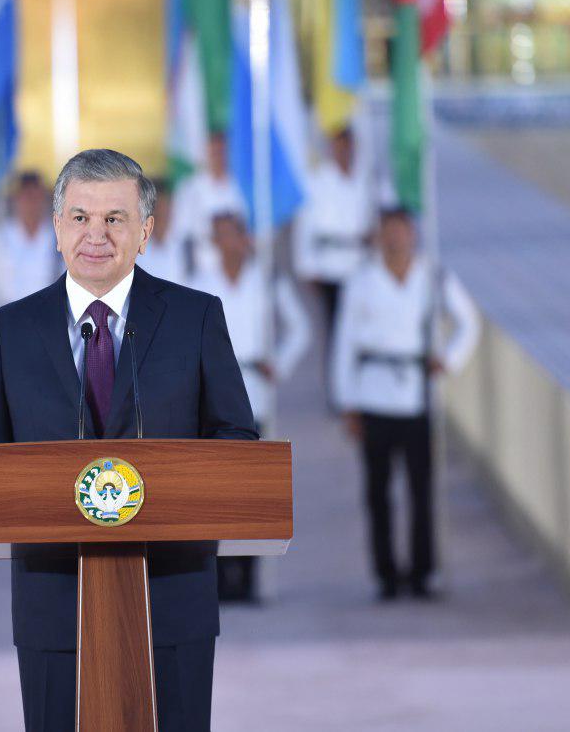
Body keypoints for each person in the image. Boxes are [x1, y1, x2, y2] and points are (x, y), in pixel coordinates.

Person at [0, 148, 257, 732]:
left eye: (115, 219)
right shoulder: (10, 331)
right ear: (56, 228)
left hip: (172, 602)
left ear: (146, 231)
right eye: (79, 217)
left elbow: (237, 447)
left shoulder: (196, 319)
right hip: (55, 605)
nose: (95, 235)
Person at [332, 208, 478, 602]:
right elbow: (345, 343)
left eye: (401, 232)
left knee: (421, 490)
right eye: (388, 232)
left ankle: (422, 571)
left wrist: (447, 360)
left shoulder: (433, 276)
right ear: (379, 236)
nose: (395, 239)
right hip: (373, 395)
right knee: (378, 492)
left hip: (416, 395)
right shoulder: (362, 281)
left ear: (413, 235)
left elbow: (468, 321)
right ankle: (386, 574)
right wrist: (347, 403)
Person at [191, 211, 310, 602]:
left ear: (245, 239)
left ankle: (251, 578)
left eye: (232, 235)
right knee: (215, 493)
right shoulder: (200, 285)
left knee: (254, 492)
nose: (227, 243)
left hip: (255, 391)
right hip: (212, 399)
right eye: (219, 236)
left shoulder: (265, 282)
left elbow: (301, 329)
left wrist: (279, 363)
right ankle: (221, 578)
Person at [291, 125, 376, 356]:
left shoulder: (364, 181)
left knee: (361, 328)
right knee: (335, 331)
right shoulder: (319, 181)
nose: (345, 151)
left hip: (358, 264)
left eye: (348, 146)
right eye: (340, 146)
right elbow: (305, 225)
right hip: (329, 266)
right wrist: (306, 266)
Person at [0, 171, 62, 351]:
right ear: (15, 200)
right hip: (9, 333)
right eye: (25, 197)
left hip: (49, 333)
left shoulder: (60, 241)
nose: (30, 204)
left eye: (35, 197)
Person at [170, 132, 247, 277]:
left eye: (221, 152)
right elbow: (182, 235)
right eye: (214, 153)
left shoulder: (237, 186)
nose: (218, 157)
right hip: (202, 266)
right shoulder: (190, 188)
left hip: (234, 268)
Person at [135, 177, 187, 284]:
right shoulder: (134, 250)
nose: (162, 215)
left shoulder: (185, 248)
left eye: (165, 209)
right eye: (158, 209)